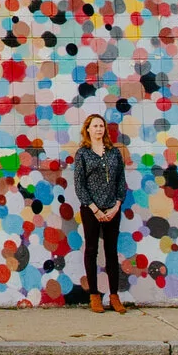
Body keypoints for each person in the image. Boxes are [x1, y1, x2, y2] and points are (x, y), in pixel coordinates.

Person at [72, 112, 127, 313]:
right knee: (91, 250)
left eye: (101, 126)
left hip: (113, 208)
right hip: (91, 210)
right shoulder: (83, 154)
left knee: (111, 252)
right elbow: (79, 185)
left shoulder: (114, 153)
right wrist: (94, 208)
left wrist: (117, 205)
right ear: (87, 129)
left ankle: (114, 296)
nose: (98, 129)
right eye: (94, 126)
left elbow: (121, 180)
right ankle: (94, 295)